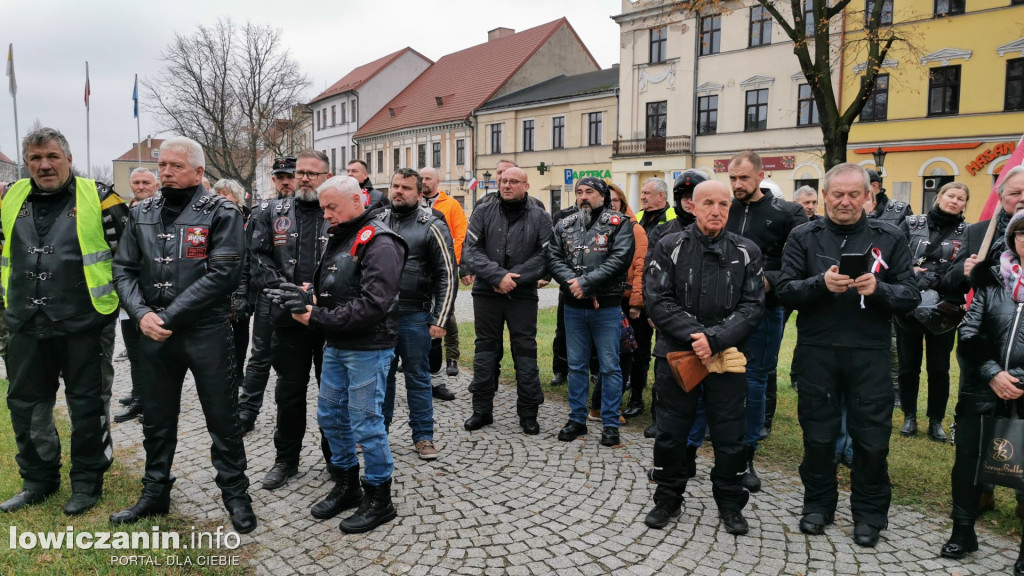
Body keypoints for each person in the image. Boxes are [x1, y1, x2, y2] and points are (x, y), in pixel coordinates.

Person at [110, 136, 255, 534]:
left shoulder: (223, 211)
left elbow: (223, 273)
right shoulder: (141, 211)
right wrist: (140, 314)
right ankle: (155, 492)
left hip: (205, 332)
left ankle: (235, 493)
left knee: (222, 417)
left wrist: (167, 316)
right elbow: (122, 268)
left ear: (198, 171)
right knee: (156, 418)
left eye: (175, 166)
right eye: (162, 166)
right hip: (154, 334)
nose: (166, 172)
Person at [776, 162, 920, 548]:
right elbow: (785, 290)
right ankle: (818, 505)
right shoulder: (804, 236)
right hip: (818, 351)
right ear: (824, 196)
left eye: (853, 194)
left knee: (872, 440)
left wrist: (879, 290)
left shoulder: (888, 236)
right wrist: (820, 283)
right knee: (818, 437)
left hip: (869, 352)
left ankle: (870, 513)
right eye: (836, 194)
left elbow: (911, 295)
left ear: (868, 196)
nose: (844, 201)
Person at [0, 127, 127, 516]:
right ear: (27, 163)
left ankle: (88, 482)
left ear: (68, 159)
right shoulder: (9, 197)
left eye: (52, 156)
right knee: (26, 404)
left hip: (84, 322)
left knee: (87, 406)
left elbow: (127, 257)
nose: (44, 165)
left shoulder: (102, 197)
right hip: (23, 321)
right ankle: (38, 480)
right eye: (36, 158)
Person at [642, 179, 764, 534]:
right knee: (671, 433)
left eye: (723, 204)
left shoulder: (747, 251)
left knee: (730, 435)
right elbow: (658, 300)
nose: (716, 210)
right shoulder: (669, 246)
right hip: (678, 354)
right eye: (708, 202)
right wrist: (698, 336)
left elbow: (753, 306)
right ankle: (668, 497)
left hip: (727, 357)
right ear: (691, 207)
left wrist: (715, 339)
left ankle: (729, 502)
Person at [290, 174, 406, 534]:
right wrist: (308, 297)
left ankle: (379, 497)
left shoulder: (380, 241)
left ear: (358, 201)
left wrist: (317, 316)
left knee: (366, 423)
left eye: (331, 207)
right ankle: (346, 485)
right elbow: (335, 287)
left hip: (368, 347)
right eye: (323, 207)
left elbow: (374, 305)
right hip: (338, 344)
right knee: (330, 416)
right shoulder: (344, 236)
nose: (325, 215)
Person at [942, 197, 1024, 573]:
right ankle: (963, 530)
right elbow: (970, 333)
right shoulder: (991, 279)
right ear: (1012, 239)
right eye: (1021, 232)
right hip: (982, 386)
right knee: (968, 461)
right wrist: (993, 372)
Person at [249, 150, 333, 490]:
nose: (304, 178)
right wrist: (288, 291)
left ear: (326, 176)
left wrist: (315, 291)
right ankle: (286, 459)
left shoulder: (338, 210)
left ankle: (336, 458)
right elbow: (257, 255)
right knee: (289, 392)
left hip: (330, 317)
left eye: (313, 173)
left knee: (333, 394)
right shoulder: (271, 212)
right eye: (300, 172)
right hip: (288, 318)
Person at [726, 151, 808, 492]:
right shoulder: (723, 209)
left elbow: (802, 259)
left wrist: (769, 280)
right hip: (722, 309)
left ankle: (747, 456)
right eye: (732, 178)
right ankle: (712, 446)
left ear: (761, 176)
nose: (737, 185)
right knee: (719, 377)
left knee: (755, 382)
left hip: (764, 309)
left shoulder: (787, 213)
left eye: (743, 178)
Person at [462, 167, 552, 434]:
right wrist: (497, 276)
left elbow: (545, 256)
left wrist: (514, 278)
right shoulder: (482, 211)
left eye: (513, 181)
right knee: (486, 352)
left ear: (526, 186)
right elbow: (471, 250)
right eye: (503, 181)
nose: (507, 185)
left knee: (525, 353)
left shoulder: (540, 216)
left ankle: (528, 412)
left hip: (522, 294)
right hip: (486, 292)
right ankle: (481, 410)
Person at [548, 178, 635, 446]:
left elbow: (620, 259)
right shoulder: (564, 224)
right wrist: (572, 283)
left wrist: (586, 283)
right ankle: (577, 419)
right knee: (576, 365)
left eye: (590, 192)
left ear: (602, 195)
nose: (583, 196)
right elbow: (553, 257)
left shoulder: (619, 223)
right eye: (579, 192)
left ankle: (610, 423)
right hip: (573, 307)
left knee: (610, 367)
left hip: (606, 307)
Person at [379, 169, 457, 461]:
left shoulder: (432, 224)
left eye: (406, 188)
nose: (399, 191)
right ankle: (378, 432)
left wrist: (440, 318)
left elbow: (447, 275)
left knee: (418, 378)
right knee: (381, 378)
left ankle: (423, 436)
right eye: (395, 186)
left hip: (414, 316)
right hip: (380, 317)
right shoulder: (377, 221)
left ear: (420, 193)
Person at [895, 182, 969, 441]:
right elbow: (894, 256)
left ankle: (936, 420)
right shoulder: (911, 223)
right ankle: (909, 416)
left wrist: (945, 280)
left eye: (960, 198)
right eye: (950, 195)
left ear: (964, 204)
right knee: (908, 365)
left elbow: (966, 270)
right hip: (910, 303)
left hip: (945, 308)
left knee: (939, 368)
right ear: (939, 197)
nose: (954, 201)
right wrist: (910, 273)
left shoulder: (967, 232)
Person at [238, 156, 295, 434]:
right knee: (260, 356)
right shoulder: (264, 210)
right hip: (269, 294)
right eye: (281, 176)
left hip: (309, 297)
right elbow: (253, 255)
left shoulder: (317, 208)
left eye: (291, 176)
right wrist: (246, 293)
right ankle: (247, 410)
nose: (286, 181)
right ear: (273, 180)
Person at [115, 167, 160, 423]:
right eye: (136, 182)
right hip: (128, 295)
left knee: (152, 353)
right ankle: (139, 395)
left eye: (146, 182)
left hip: (153, 297)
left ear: (156, 186)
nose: (141, 186)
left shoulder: (162, 212)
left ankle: (151, 400)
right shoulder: (126, 212)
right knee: (133, 351)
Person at [419, 166, 467, 396]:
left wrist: (452, 260)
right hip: (419, 270)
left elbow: (460, 234)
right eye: (421, 178)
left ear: (437, 181)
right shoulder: (414, 203)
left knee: (446, 313)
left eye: (427, 178)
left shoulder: (450, 205)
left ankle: (452, 357)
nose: (423, 181)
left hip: (445, 266)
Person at [212, 178, 255, 429]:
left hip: (239, 283)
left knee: (240, 332)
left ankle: (237, 373)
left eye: (226, 194)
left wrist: (241, 292)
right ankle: (221, 373)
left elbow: (246, 256)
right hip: (215, 285)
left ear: (237, 198)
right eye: (218, 193)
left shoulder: (246, 220)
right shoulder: (210, 217)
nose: (222, 197)